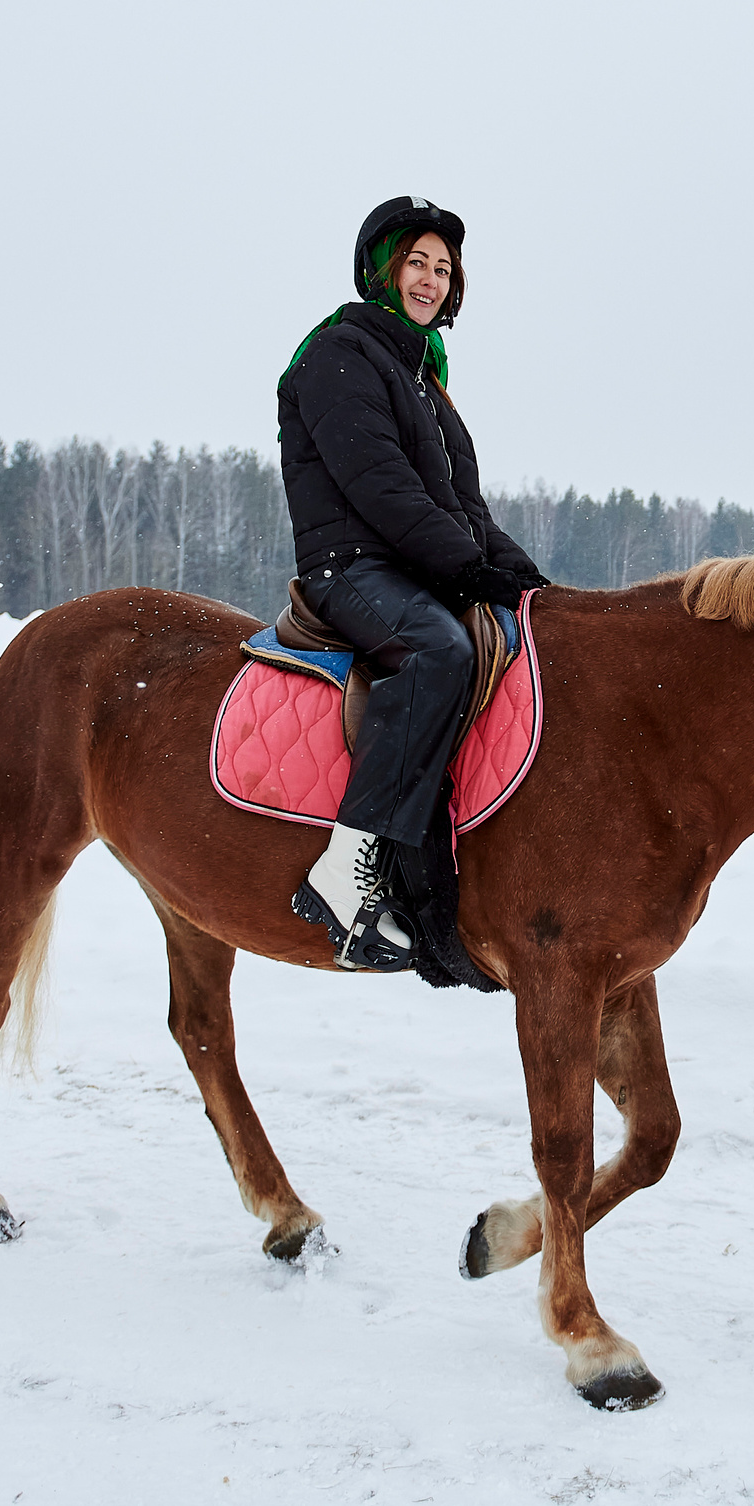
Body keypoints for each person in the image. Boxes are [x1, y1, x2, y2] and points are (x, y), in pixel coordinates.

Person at [276, 197, 546, 971]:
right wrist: (461, 567)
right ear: (384, 270)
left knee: (526, 633)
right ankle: (347, 869)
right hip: (351, 570)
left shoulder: (426, 379)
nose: (431, 278)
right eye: (417, 262)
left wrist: (526, 583)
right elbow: (381, 486)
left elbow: (464, 508)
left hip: (409, 565)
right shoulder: (338, 354)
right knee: (436, 651)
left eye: (443, 267)